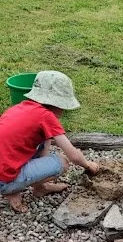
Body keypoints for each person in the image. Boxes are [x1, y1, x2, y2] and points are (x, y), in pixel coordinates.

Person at [0, 70, 99, 212]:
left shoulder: (20, 108)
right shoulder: (46, 117)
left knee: (44, 141)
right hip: (4, 180)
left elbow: (44, 143)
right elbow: (74, 156)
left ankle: (39, 188)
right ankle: (11, 190)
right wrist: (88, 165)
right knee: (62, 162)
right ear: (58, 104)